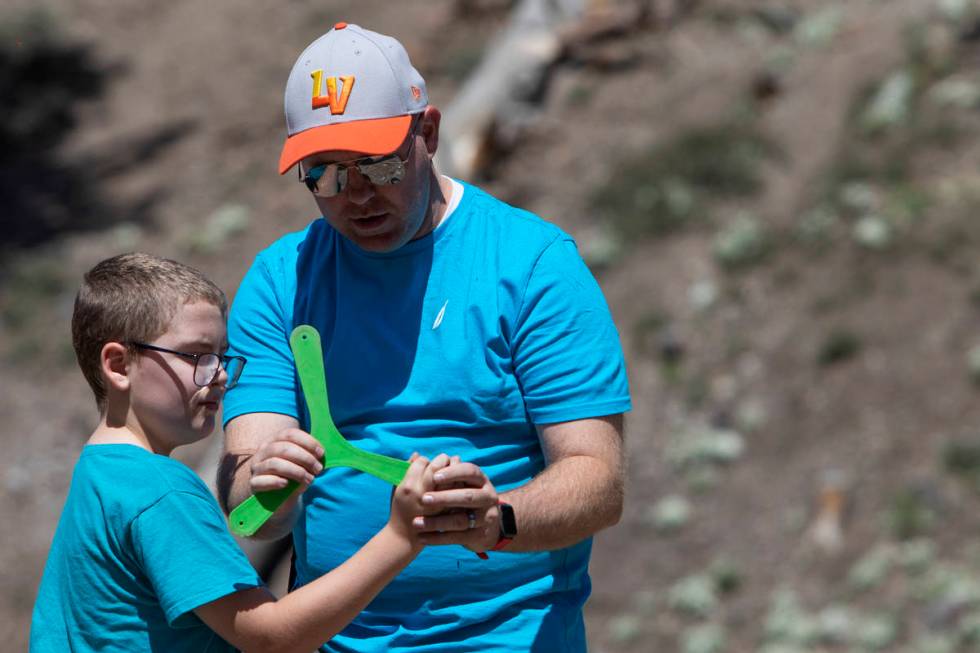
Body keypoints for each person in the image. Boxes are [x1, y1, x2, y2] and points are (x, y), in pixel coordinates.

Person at [218, 22, 632, 652]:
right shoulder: (282, 280)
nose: (355, 196)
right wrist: (265, 483)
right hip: (335, 636)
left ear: (428, 134)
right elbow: (249, 496)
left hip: (506, 634)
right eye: (324, 174)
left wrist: (498, 521)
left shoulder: (532, 265)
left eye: (378, 164)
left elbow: (598, 482)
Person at [30, 252, 448, 653]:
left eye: (222, 356)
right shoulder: (161, 492)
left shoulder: (99, 472)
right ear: (119, 365)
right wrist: (401, 538)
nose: (222, 375)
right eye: (197, 356)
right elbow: (271, 638)